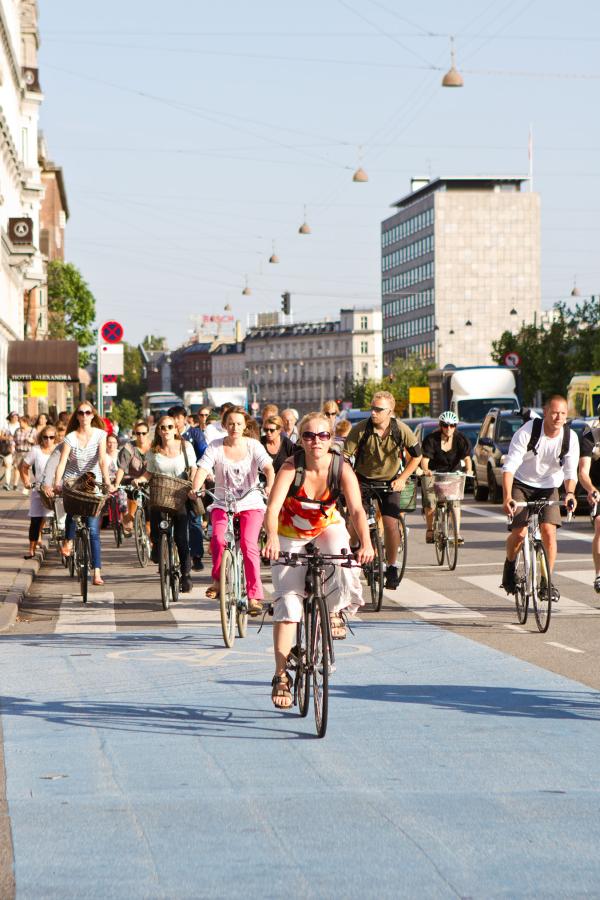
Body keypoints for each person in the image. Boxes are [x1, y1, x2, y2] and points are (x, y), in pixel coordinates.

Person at [262, 412, 374, 709]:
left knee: (343, 560)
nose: (316, 441)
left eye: (323, 435)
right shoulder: (291, 467)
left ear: (332, 438)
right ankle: (281, 676)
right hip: (290, 533)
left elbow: (357, 510)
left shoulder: (341, 468)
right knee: (288, 603)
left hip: (326, 527)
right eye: (309, 436)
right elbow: (272, 508)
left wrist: (367, 542)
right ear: (301, 440)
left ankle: (335, 612)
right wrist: (272, 538)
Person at [192, 406, 275, 615]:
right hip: (223, 503)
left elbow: (268, 468)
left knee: (248, 545)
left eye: (239, 423)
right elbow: (203, 468)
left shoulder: (253, 445)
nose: (234, 427)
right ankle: (218, 581)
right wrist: (195, 487)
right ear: (224, 425)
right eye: (230, 423)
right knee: (218, 539)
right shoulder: (216, 446)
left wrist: (269, 484)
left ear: (245, 425)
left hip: (250, 503)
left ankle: (255, 596)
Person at [501, 395, 579, 601]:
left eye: (563, 413)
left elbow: (571, 473)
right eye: (554, 412)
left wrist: (570, 493)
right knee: (519, 533)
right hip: (521, 483)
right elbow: (509, 467)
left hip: (548, 486)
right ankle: (509, 566)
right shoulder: (527, 431)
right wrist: (507, 496)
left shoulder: (570, 438)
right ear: (545, 412)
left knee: (549, 533)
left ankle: (546, 582)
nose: (558, 417)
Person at [344, 391, 422, 589]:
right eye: (372, 408)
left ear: (390, 411)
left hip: (390, 482)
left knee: (390, 523)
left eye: (379, 409)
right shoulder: (361, 429)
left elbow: (417, 456)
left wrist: (403, 478)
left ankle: (392, 565)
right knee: (355, 517)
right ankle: (354, 547)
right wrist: (347, 480)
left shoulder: (401, 430)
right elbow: (345, 457)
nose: (373, 412)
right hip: (363, 480)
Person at [52, 402, 113, 586]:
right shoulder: (70, 437)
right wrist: (57, 482)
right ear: (77, 416)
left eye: (88, 412)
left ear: (93, 415)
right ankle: (69, 541)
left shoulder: (100, 435)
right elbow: (62, 462)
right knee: (72, 507)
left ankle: (96, 572)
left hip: (92, 481)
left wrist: (107, 482)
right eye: (81, 413)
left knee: (94, 530)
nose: (85, 415)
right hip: (73, 480)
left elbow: (102, 460)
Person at [137, 414, 198, 594]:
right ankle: (157, 545)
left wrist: (193, 485)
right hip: (161, 495)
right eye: (163, 427)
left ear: (176, 429)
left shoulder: (186, 447)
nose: (167, 431)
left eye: (170, 427)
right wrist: (139, 479)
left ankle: (185, 574)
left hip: (181, 495)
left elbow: (193, 469)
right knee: (156, 525)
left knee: (181, 538)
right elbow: (148, 473)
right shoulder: (154, 451)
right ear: (158, 431)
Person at [421, 411, 472, 545]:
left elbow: (467, 458)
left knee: (455, 502)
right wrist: (426, 470)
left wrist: (469, 469)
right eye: (445, 425)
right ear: (440, 425)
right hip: (434, 473)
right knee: (430, 501)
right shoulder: (431, 439)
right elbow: (425, 459)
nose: (448, 428)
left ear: (455, 426)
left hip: (452, 474)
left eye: (452, 425)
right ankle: (430, 529)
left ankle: (457, 533)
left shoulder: (461, 439)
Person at [168, 405, 207, 571]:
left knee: (194, 518)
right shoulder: (166, 434)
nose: (176, 421)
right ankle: (167, 553)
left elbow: (204, 454)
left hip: (193, 480)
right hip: (170, 483)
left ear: (184, 418)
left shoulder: (194, 434)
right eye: (173, 418)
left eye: (178, 417)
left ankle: (196, 555)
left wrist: (200, 476)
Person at [19, 426, 57, 558]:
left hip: (56, 490)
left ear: (55, 438)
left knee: (63, 519)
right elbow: (23, 466)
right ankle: (31, 549)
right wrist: (27, 482)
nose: (48, 440)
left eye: (51, 437)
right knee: (35, 520)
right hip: (39, 490)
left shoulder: (59, 450)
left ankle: (67, 547)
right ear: (41, 437)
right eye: (45, 437)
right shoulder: (36, 450)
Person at [577, 408, 600, 593]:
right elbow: (583, 471)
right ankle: (599, 574)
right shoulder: (590, 432)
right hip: (597, 483)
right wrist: (591, 489)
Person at [115, 420, 152, 534]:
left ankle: (151, 538)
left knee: (150, 512)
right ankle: (130, 516)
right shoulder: (129, 447)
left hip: (150, 479)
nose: (141, 436)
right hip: (132, 479)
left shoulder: (154, 447)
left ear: (148, 433)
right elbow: (122, 468)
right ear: (134, 434)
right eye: (138, 433)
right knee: (132, 488)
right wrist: (116, 485)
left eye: (143, 433)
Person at [11, 415, 37, 491]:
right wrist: (12, 447)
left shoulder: (33, 430)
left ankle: (29, 485)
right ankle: (26, 484)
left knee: (26, 468)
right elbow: (14, 440)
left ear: (26, 422)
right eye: (19, 422)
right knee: (20, 469)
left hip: (28, 452)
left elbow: (38, 442)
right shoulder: (17, 430)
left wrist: (32, 441)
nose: (19, 423)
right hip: (19, 452)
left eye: (21, 422)